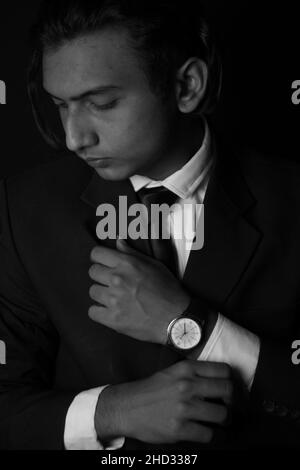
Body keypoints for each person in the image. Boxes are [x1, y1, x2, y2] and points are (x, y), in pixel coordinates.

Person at [0, 0, 299, 450]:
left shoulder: (291, 200)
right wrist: (115, 410)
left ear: (186, 86)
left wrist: (189, 323)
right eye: (61, 105)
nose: (74, 138)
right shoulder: (24, 208)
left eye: (101, 103)